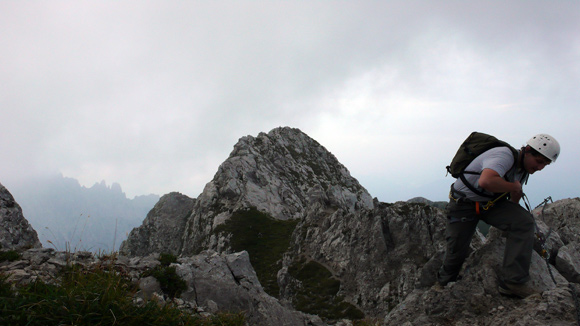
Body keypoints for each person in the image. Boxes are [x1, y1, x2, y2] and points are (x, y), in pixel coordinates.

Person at [437, 134, 560, 298]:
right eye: (539, 162)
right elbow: (486, 181)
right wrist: (513, 186)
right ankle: (443, 284)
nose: (540, 167)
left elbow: (513, 195)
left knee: (524, 222)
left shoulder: (523, 169)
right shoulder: (503, 155)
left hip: (490, 204)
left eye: (545, 164)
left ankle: (513, 283)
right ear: (528, 150)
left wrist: (512, 220)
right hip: (463, 205)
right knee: (456, 251)